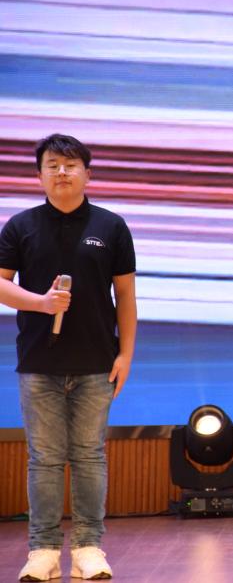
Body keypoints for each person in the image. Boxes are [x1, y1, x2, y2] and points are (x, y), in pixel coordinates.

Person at [0, 134, 137, 581]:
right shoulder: (20, 226)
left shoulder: (111, 226)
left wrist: (126, 354)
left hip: (97, 362)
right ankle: (42, 550)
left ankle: (88, 547)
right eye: (53, 164)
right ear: (39, 174)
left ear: (87, 173)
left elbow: (126, 296)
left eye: (71, 164)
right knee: (43, 458)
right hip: (38, 363)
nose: (62, 172)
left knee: (89, 456)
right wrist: (40, 303)